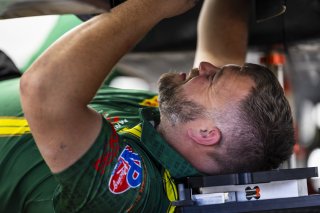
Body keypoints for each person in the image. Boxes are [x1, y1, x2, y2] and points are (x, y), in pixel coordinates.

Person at [0, 0, 294, 212]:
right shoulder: (181, 121)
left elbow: (44, 90)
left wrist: (154, 4)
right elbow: (226, 22)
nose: (204, 66)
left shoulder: (134, 196)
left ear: (206, 133)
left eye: (212, 78)